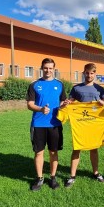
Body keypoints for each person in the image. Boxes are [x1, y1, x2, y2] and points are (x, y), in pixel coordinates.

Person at [63, 63, 104, 188]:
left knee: (94, 149)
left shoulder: (100, 89)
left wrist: (102, 102)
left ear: (95, 74)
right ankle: (72, 176)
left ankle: (96, 173)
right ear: (84, 73)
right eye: (87, 73)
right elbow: (71, 101)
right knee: (76, 148)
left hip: (93, 125)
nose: (89, 75)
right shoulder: (77, 88)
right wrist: (68, 102)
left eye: (92, 73)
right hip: (80, 124)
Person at [26, 58, 68, 191]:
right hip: (38, 124)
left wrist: (64, 104)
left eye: (50, 68)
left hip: (55, 124)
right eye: (45, 68)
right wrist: (40, 109)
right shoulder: (34, 84)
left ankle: (53, 177)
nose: (48, 70)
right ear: (41, 68)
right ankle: (39, 179)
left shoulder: (60, 84)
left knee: (53, 152)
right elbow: (29, 104)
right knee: (39, 152)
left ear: (54, 69)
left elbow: (61, 102)